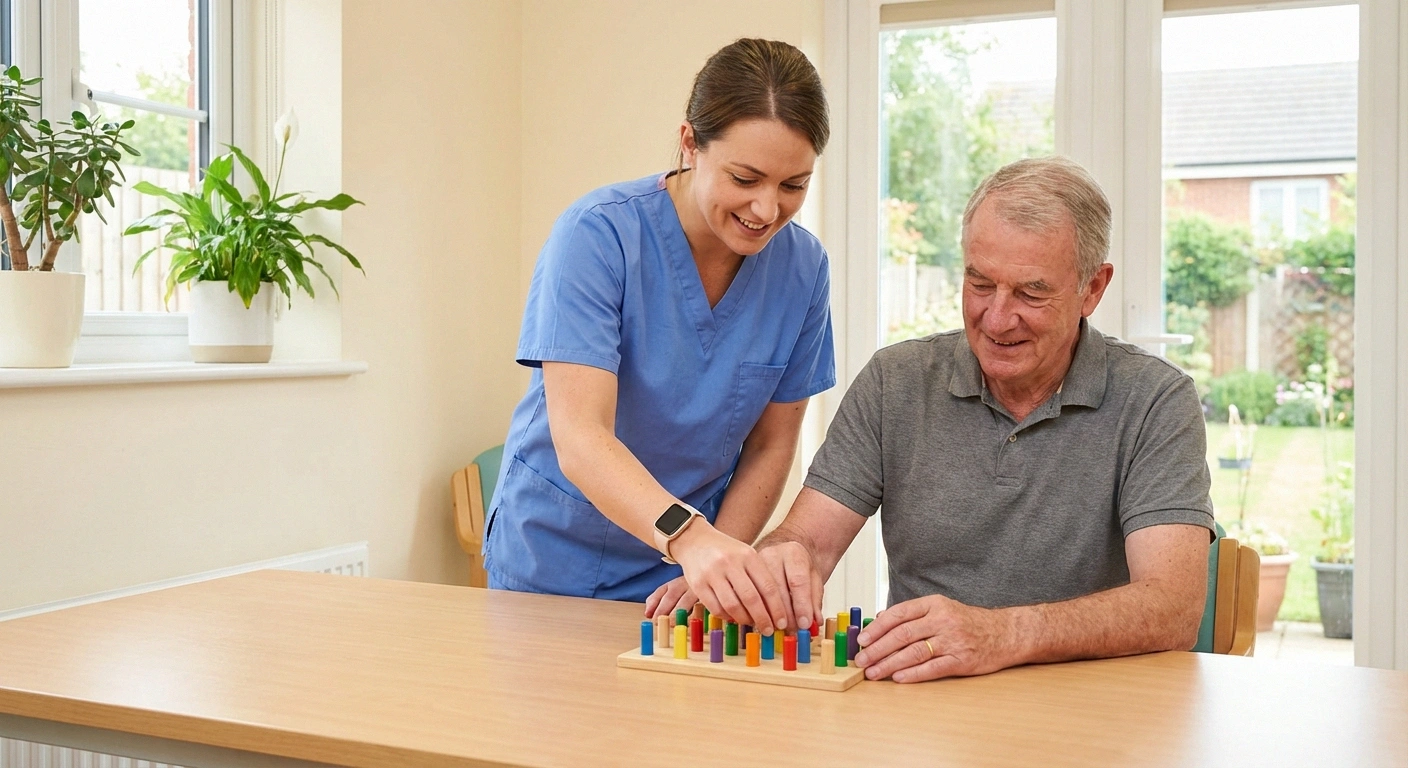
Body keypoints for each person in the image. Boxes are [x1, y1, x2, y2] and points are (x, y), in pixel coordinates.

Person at [754, 156, 1215, 682]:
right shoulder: (895, 381)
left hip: (1088, 711)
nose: (996, 319)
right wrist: (778, 564)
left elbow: (1172, 609)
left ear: (1093, 288)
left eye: (1031, 293)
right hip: (923, 708)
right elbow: (808, 542)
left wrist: (1002, 635)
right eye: (980, 284)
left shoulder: (1156, 400)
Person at [482, 38, 834, 635]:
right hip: (555, 558)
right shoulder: (597, 237)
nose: (766, 209)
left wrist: (718, 558)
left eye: (794, 185)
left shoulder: (803, 269)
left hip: (687, 573)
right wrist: (689, 537)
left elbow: (772, 446)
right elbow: (580, 434)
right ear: (690, 144)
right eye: (745, 177)